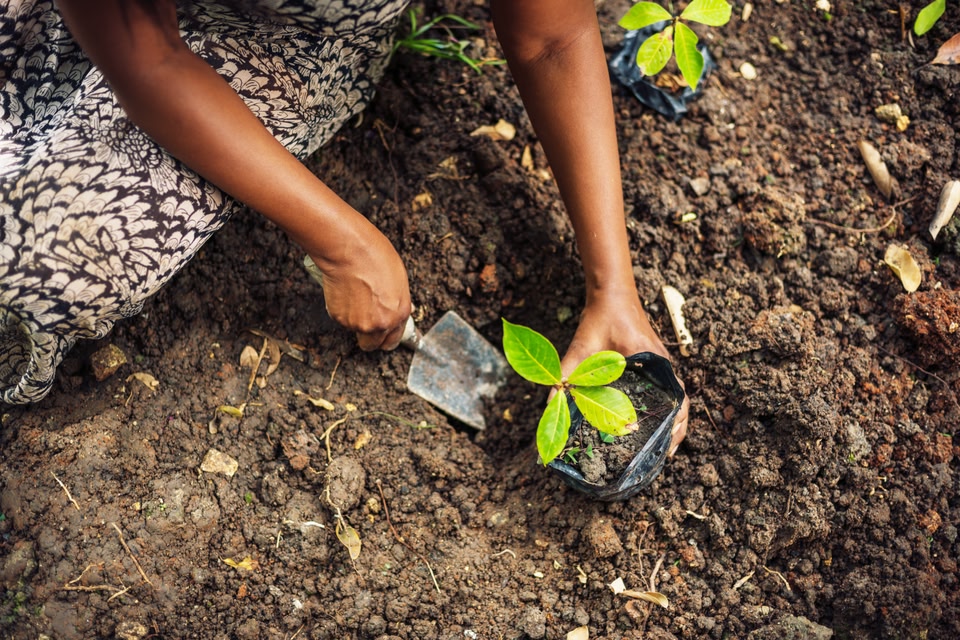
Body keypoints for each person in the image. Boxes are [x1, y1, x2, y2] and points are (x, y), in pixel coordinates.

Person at [0, 0, 688, 454]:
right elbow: (143, 52)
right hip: (139, 34)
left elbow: (553, 35)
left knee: (40, 259)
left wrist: (613, 288)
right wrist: (340, 240)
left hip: (285, 41)